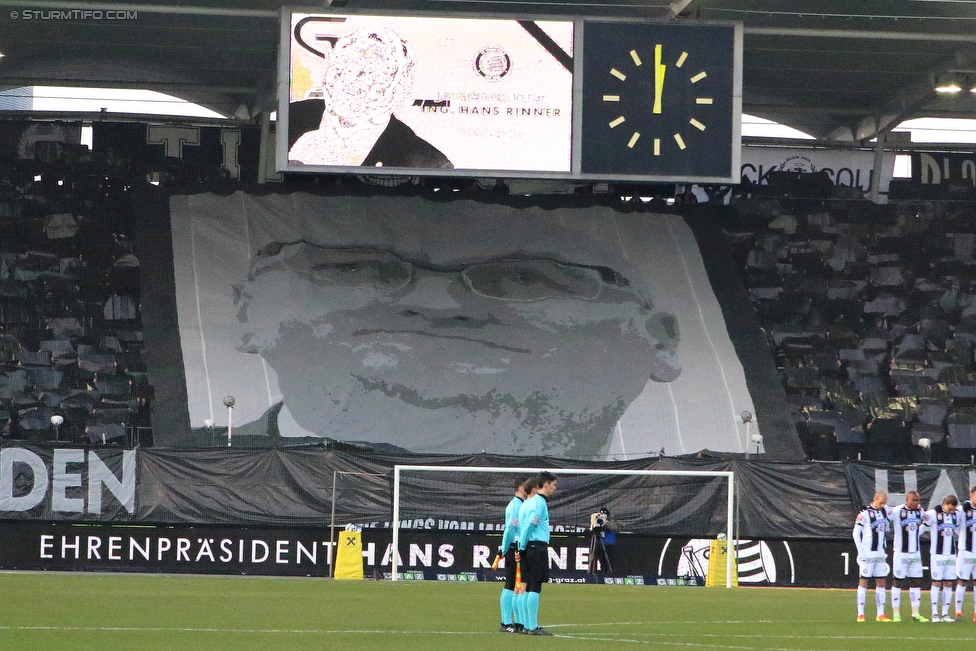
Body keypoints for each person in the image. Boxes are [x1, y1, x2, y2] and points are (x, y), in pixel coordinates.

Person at [234, 236, 681, 457]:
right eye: (353, 270)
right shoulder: (205, 468)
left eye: (523, 278)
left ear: (658, 342)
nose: (435, 305)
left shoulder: (680, 493)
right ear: (248, 315)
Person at [288, 26, 452, 169]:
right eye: (342, 67)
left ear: (398, 91)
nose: (348, 81)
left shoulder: (424, 162)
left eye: (368, 74)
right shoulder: (289, 116)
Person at [516, 471, 557, 636]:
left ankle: (527, 624)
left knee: (528, 586)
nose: (555, 487)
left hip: (528, 546)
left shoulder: (528, 503)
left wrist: (521, 546)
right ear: (545, 484)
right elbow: (528, 525)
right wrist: (522, 546)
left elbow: (523, 526)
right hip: (535, 546)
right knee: (535, 586)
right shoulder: (539, 503)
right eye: (553, 484)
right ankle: (532, 626)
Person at [853, 490, 893, 622]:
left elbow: (895, 514)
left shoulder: (885, 511)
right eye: (881, 502)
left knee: (881, 581)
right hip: (868, 552)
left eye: (884, 503)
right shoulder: (864, 514)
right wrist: (861, 552)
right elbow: (855, 533)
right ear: (874, 499)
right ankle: (860, 614)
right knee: (864, 580)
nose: (882, 505)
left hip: (880, 553)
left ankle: (880, 614)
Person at [890, 491, 930, 622]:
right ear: (907, 500)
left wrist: (919, 532)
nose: (916, 503)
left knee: (916, 582)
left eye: (918, 500)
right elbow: (885, 515)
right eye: (913, 500)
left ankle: (915, 613)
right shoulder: (897, 511)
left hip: (915, 553)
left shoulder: (920, 511)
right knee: (898, 581)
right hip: (901, 552)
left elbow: (929, 521)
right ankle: (896, 613)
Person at [498, 477, 528, 634]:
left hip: (517, 547)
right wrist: (504, 548)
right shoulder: (515, 506)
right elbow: (510, 529)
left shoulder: (520, 505)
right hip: (513, 548)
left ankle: (517, 622)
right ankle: (506, 622)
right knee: (511, 584)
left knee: (517, 585)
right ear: (522, 488)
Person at [927, 494, 960, 622]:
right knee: (936, 582)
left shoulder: (956, 515)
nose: (951, 512)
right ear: (944, 504)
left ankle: (945, 614)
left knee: (948, 583)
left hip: (951, 554)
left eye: (953, 509)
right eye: (950, 509)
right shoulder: (933, 514)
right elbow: (923, 526)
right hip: (937, 554)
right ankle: (935, 613)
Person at [954, 487, 976, 622]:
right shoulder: (962, 510)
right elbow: (955, 526)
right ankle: (958, 612)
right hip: (966, 551)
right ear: (972, 495)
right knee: (962, 580)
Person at [588, 506, 617, 576]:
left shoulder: (611, 521)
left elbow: (614, 528)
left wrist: (605, 523)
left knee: (610, 558)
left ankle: (610, 572)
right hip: (600, 542)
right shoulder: (596, 519)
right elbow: (592, 530)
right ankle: (602, 571)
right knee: (600, 558)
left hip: (609, 543)